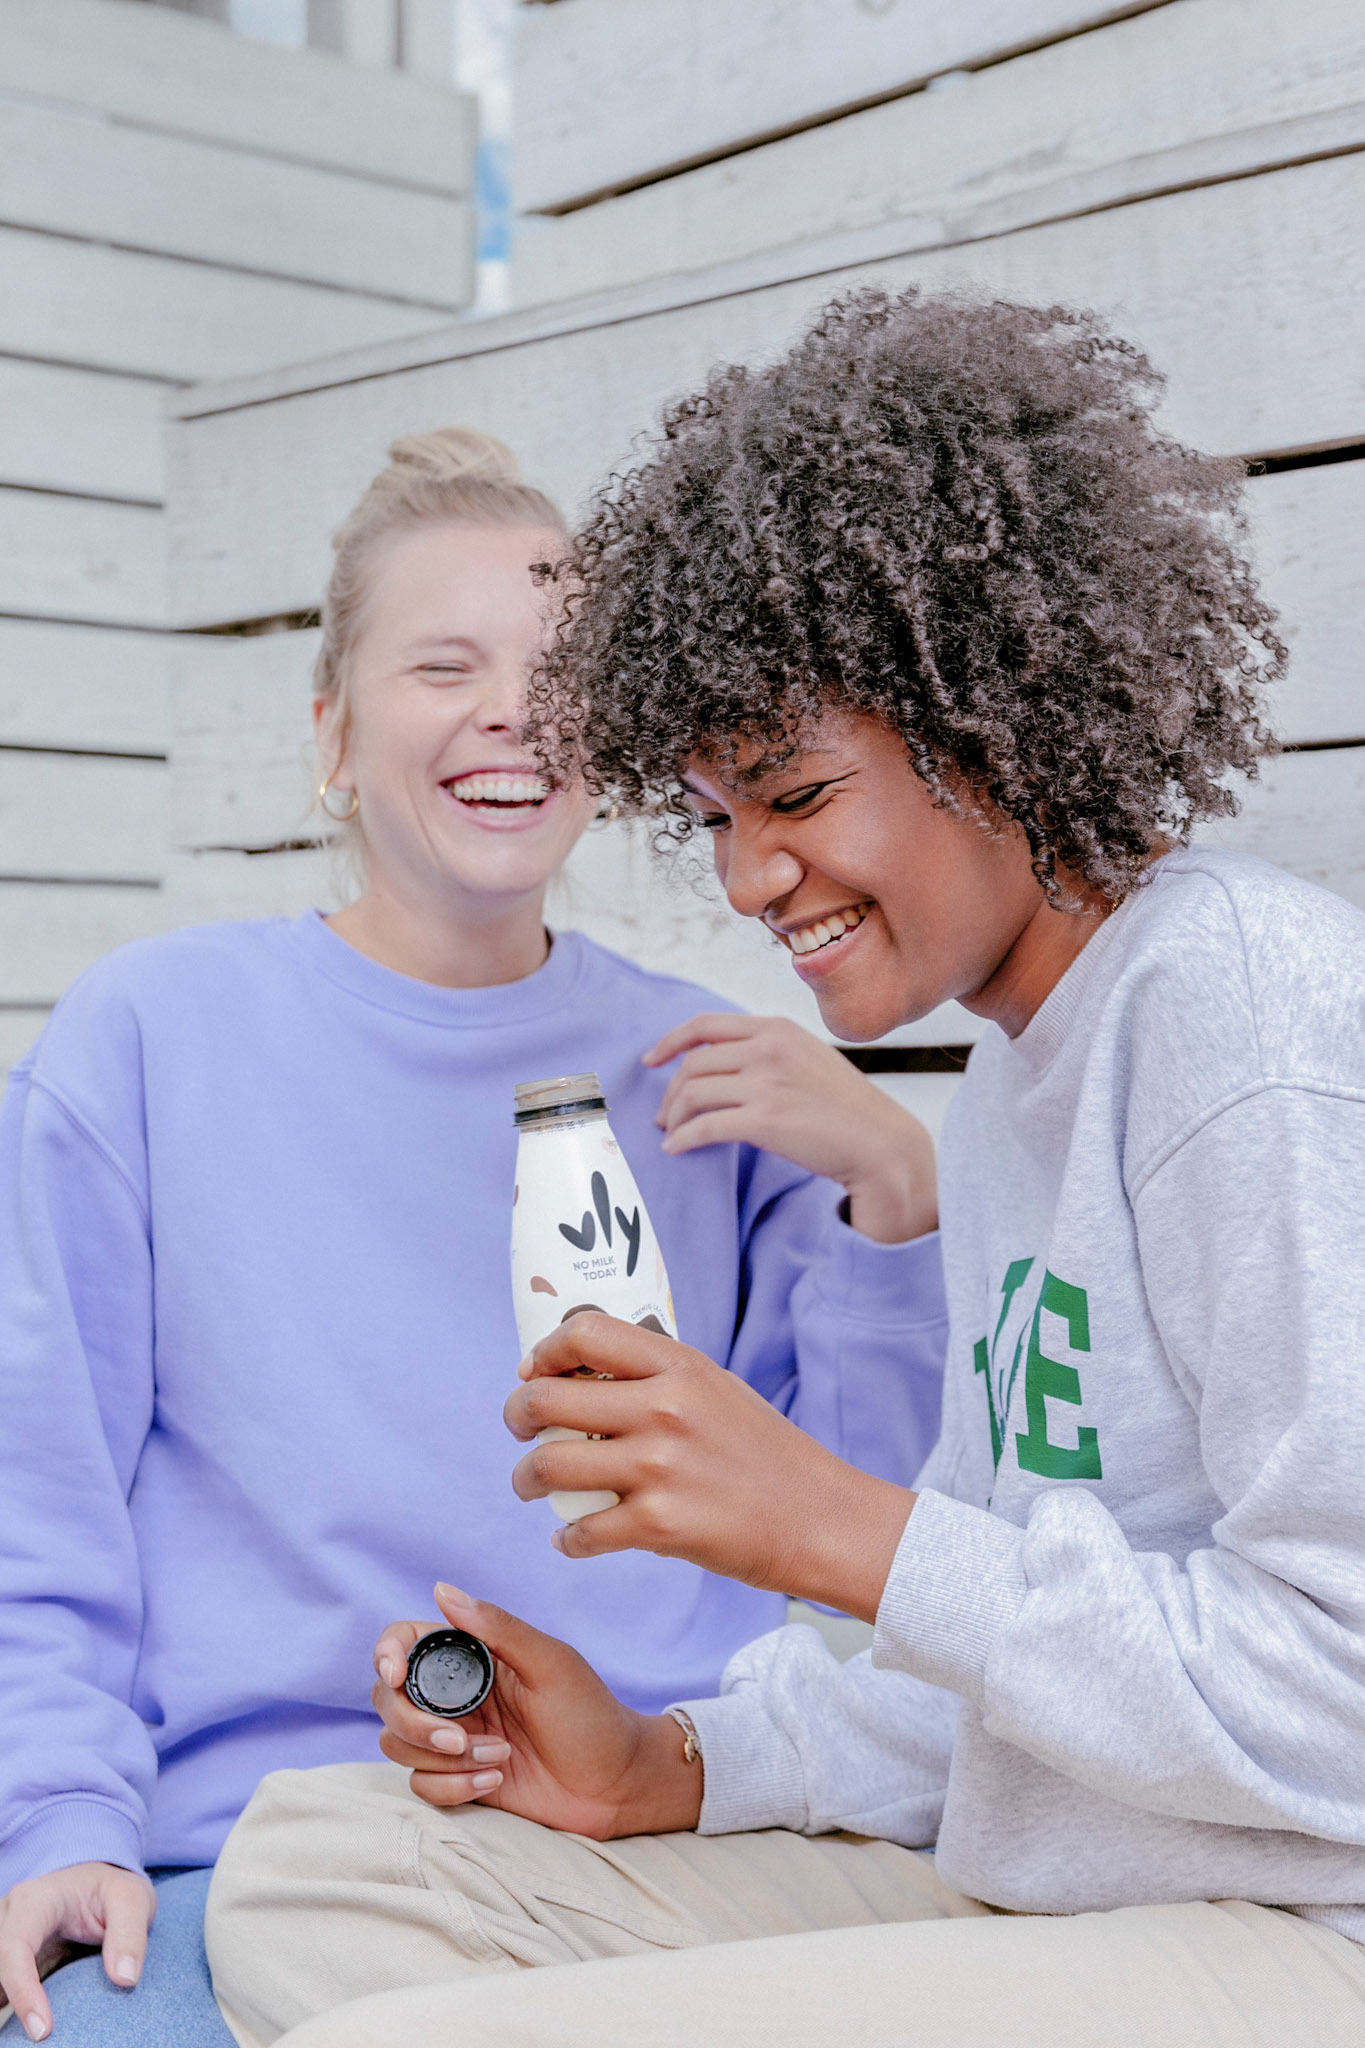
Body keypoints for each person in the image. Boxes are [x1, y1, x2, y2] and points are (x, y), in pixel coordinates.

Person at [203, 292, 1365, 2048]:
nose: (749, 878)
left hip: (1296, 1935)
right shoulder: (1015, 1083)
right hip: (1055, 1882)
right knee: (323, 1868)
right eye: (714, 815)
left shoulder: (1239, 1016)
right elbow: (988, 1682)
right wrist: (665, 1765)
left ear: (991, 721)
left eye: (794, 795)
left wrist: (839, 1530)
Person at [0, 428, 949, 2046]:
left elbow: (866, 1519)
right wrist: (55, 1820)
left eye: (558, 676)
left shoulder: (714, 1075)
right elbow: (39, 1494)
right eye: (445, 665)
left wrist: (890, 1183)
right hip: (232, 1855)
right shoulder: (147, 1037)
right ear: (332, 730)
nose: (511, 710)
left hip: (641, 1857)